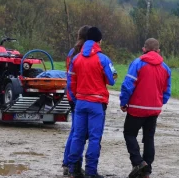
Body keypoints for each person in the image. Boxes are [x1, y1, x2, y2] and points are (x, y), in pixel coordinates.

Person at [67, 27, 117, 178]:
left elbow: (71, 83)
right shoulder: (103, 59)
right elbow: (112, 80)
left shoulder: (76, 58)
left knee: (78, 136)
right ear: (99, 41)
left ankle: (73, 170)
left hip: (80, 102)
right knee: (95, 138)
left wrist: (76, 99)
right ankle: (90, 171)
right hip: (97, 103)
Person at [119, 38, 171, 178]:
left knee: (129, 134)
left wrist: (124, 102)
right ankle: (146, 171)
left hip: (136, 108)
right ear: (158, 51)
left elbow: (128, 85)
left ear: (144, 49)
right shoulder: (165, 68)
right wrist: (160, 102)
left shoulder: (137, 63)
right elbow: (167, 92)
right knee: (149, 138)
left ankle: (138, 162)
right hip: (154, 109)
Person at [63, 25, 91, 177]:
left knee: (76, 131)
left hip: (72, 94)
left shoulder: (72, 51)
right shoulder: (81, 53)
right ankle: (70, 164)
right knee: (77, 132)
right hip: (78, 95)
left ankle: (69, 163)